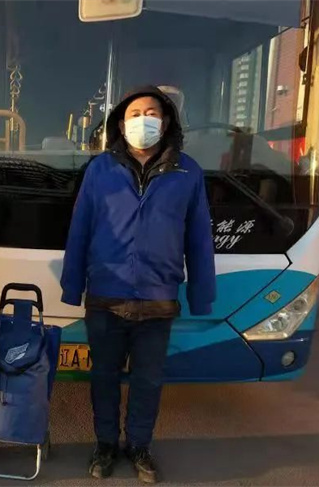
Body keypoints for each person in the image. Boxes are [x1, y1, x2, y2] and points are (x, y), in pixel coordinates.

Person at [60, 86, 216, 484]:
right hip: (105, 297)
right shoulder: (100, 170)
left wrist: (201, 295)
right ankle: (105, 445)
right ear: (121, 122)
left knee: (148, 381)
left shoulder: (188, 172)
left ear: (166, 121)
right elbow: (79, 231)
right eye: (134, 114)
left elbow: (199, 238)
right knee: (104, 378)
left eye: (151, 113)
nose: (142, 120)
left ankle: (139, 446)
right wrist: (72, 286)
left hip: (158, 300)